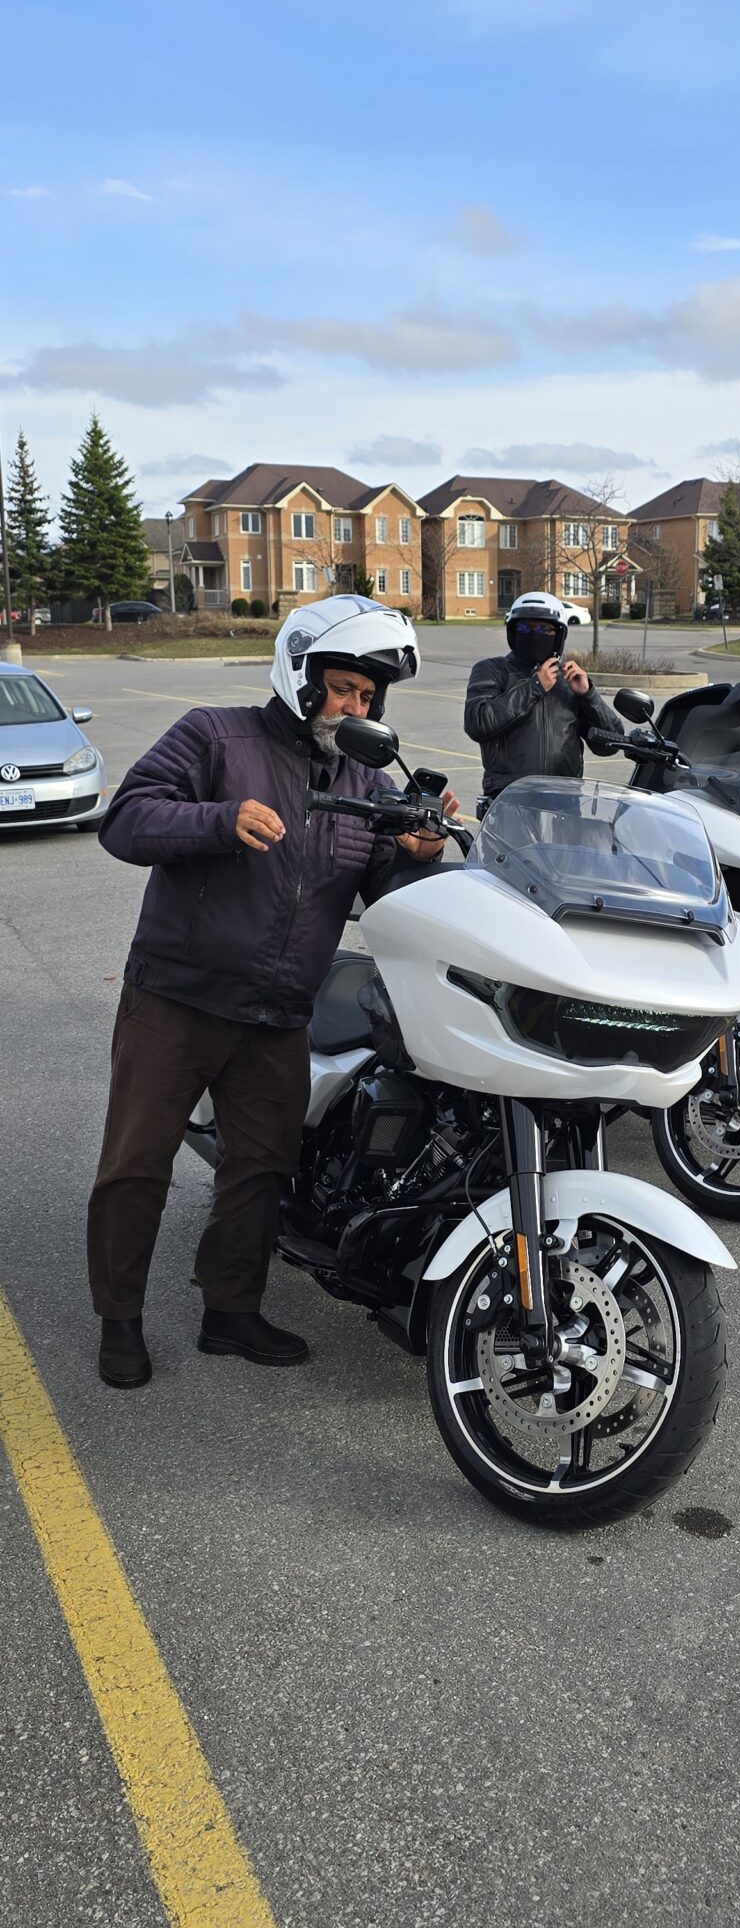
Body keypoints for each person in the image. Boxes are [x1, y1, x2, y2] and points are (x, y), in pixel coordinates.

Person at [87, 596, 459, 1389]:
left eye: (367, 696)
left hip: (279, 1010)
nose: (354, 706)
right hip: (178, 998)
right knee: (136, 1164)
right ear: (300, 675)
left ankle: (230, 1311)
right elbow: (126, 820)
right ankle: (119, 1319)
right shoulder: (214, 735)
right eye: (343, 688)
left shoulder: (362, 777)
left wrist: (417, 850)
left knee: (261, 1168)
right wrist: (220, 820)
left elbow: (377, 883)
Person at [463, 589, 621, 801]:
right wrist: (535, 685)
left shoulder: (568, 680)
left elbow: (609, 744)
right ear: (513, 631)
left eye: (544, 629)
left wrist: (587, 694)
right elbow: (478, 722)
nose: (534, 634)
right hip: (509, 799)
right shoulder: (493, 670)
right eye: (525, 627)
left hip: (564, 800)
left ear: (559, 636)